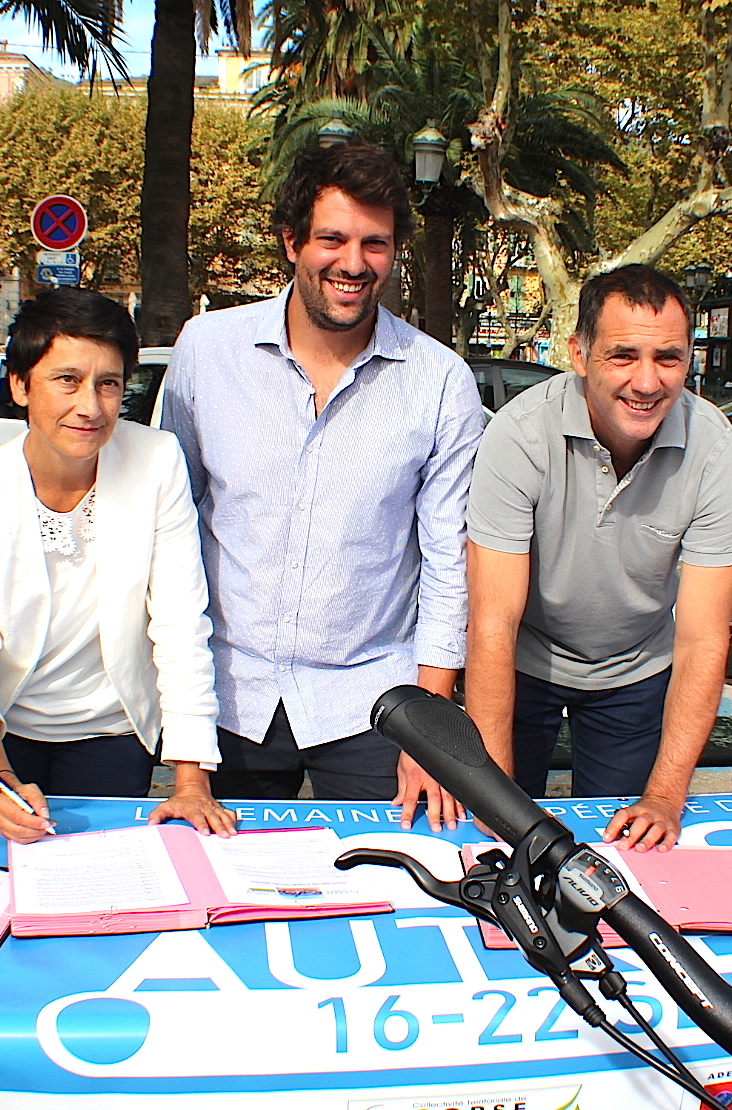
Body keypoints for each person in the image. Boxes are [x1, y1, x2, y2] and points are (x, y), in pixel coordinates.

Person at [162, 141, 485, 828]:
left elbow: (444, 563)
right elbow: (174, 526)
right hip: (228, 692)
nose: (353, 263)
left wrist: (429, 726)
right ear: (290, 241)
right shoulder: (205, 351)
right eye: (332, 238)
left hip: (373, 697)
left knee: (396, 888)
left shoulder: (438, 380)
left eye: (375, 243)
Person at [465, 266, 732, 852]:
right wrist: (491, 793)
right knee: (496, 838)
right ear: (579, 354)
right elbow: (492, 625)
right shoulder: (519, 435)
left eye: (668, 358)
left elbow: (702, 639)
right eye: (623, 355)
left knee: (624, 850)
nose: (647, 382)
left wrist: (667, 795)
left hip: (634, 670)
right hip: (525, 661)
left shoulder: (717, 449)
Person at [0, 288, 233, 844]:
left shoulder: (155, 460)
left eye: (108, 383)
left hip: (114, 731)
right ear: (21, 385)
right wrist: (0, 781)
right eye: (66, 380)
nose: (90, 406)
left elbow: (180, 625)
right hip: (4, 731)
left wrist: (191, 779)